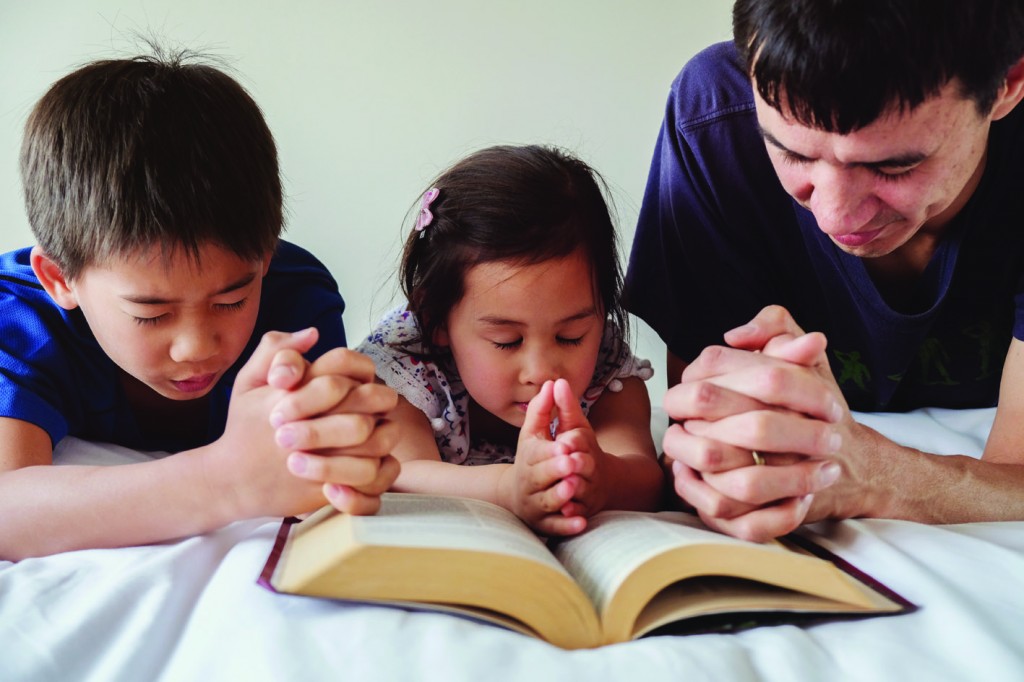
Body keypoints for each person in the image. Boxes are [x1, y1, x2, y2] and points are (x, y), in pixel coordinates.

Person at [624, 0, 1024, 541]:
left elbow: (1014, 481)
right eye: (790, 153)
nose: (834, 216)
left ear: (1008, 82)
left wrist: (869, 473)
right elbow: (709, 451)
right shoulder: (716, 116)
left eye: (893, 166)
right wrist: (718, 472)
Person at [0, 51, 400, 561]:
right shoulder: (17, 316)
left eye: (232, 299)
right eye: (150, 312)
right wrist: (224, 479)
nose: (196, 347)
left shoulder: (294, 296)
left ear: (265, 258)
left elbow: (318, 468)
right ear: (60, 279)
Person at [357, 145, 663, 536]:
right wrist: (508, 487)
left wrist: (604, 475)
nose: (542, 372)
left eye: (570, 337)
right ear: (437, 321)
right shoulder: (406, 368)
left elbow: (644, 475)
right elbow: (402, 473)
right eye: (506, 341)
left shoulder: (608, 371)